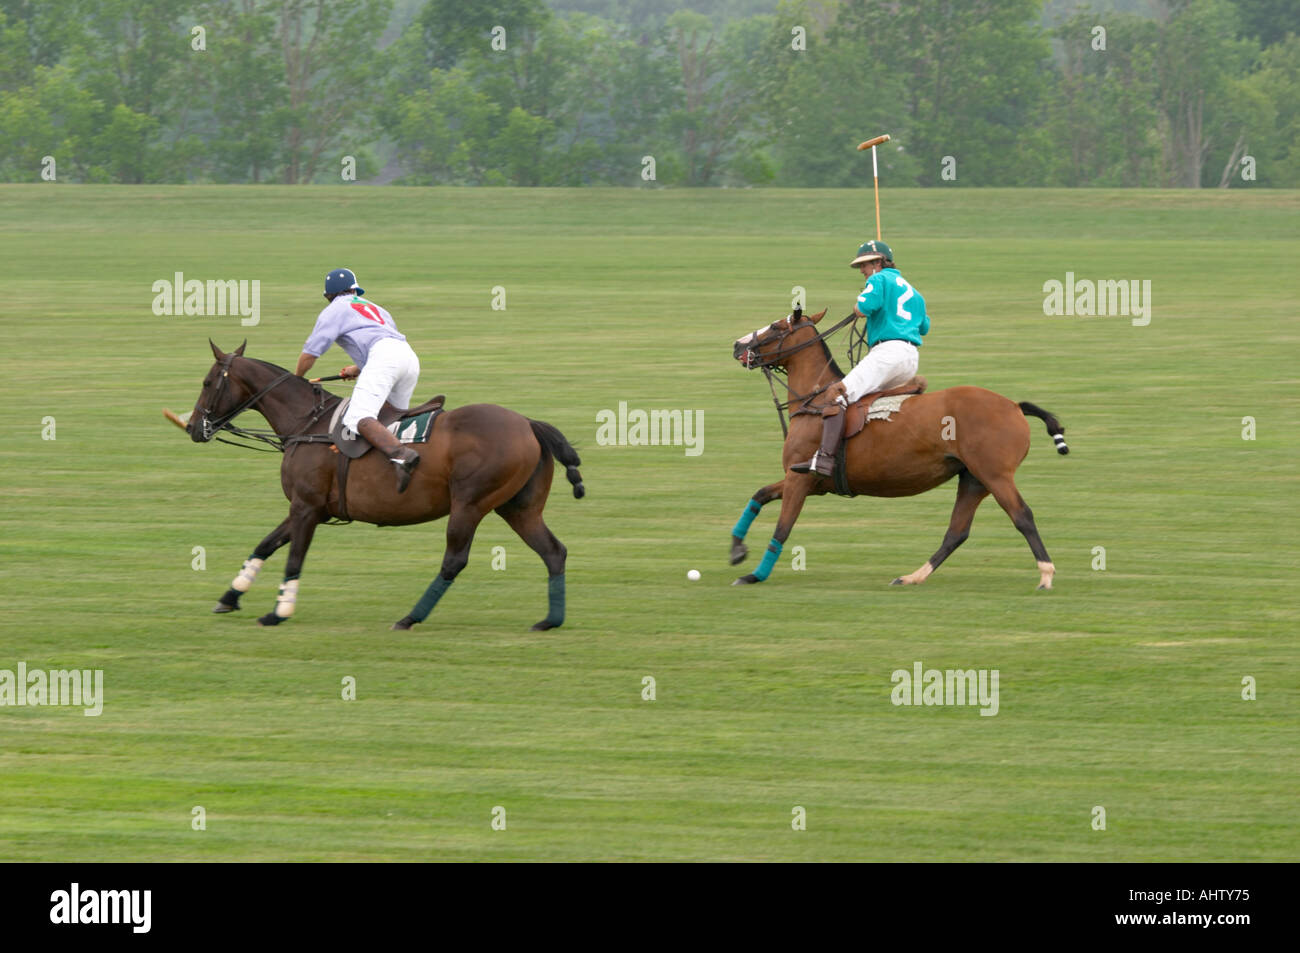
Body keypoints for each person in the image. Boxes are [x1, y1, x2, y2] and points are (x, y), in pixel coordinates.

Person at [791, 240, 929, 476]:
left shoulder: (878, 279)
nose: (862, 272)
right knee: (871, 404)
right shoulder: (914, 292)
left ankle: (824, 459)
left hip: (887, 353)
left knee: (836, 394)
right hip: (909, 358)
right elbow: (924, 327)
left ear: (878, 263)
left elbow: (864, 308)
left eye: (865, 265)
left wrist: (859, 304)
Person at [294, 269, 422, 492]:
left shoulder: (333, 310)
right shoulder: (375, 307)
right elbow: (384, 341)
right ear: (355, 289)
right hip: (408, 357)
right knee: (391, 419)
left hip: (384, 359)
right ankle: (392, 472)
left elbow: (310, 353)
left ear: (328, 296)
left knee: (358, 417)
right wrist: (359, 367)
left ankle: (403, 457)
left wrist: (295, 380)